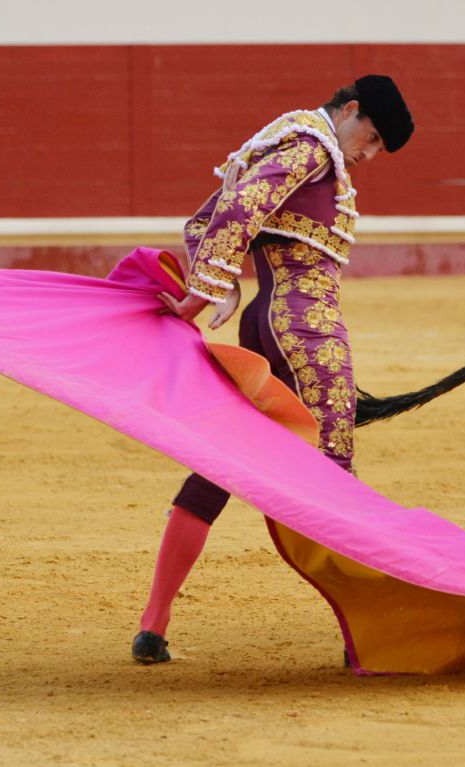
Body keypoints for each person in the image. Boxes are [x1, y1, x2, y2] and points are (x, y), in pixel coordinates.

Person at [132, 75, 415, 663]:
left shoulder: (289, 142)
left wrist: (223, 282)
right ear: (352, 109)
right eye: (373, 136)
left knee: (220, 462)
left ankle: (153, 626)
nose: (370, 153)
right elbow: (236, 208)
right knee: (333, 474)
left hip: (264, 321)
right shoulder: (314, 148)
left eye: (381, 150)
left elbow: (206, 218)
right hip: (308, 330)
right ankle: (371, 637)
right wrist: (202, 293)